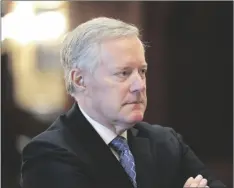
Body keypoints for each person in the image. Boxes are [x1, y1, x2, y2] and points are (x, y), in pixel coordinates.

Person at [20, 17, 225, 188]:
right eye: (123, 73)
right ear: (80, 80)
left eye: (142, 71)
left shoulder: (165, 142)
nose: (140, 85)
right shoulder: (48, 153)